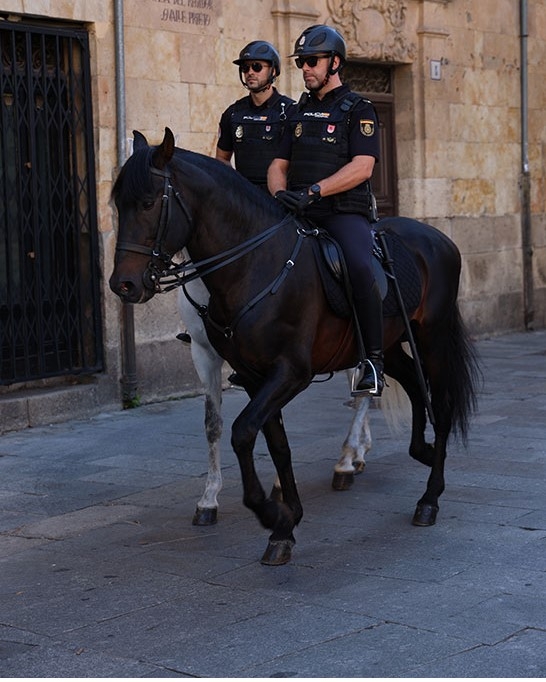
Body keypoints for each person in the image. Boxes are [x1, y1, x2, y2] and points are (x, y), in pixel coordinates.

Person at [268, 24, 384, 397]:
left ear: (334, 62)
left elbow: (363, 166)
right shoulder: (298, 111)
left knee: (360, 266)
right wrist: (279, 193)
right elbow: (278, 164)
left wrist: (315, 191)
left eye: (311, 61)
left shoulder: (358, 109)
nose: (305, 68)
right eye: (301, 62)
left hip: (341, 213)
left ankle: (373, 361)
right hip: (299, 210)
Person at [215, 40, 295, 190]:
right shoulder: (232, 113)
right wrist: (237, 186)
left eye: (257, 67)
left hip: (278, 200)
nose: (250, 72)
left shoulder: (290, 111)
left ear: (274, 71)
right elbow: (222, 159)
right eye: (245, 68)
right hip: (245, 202)